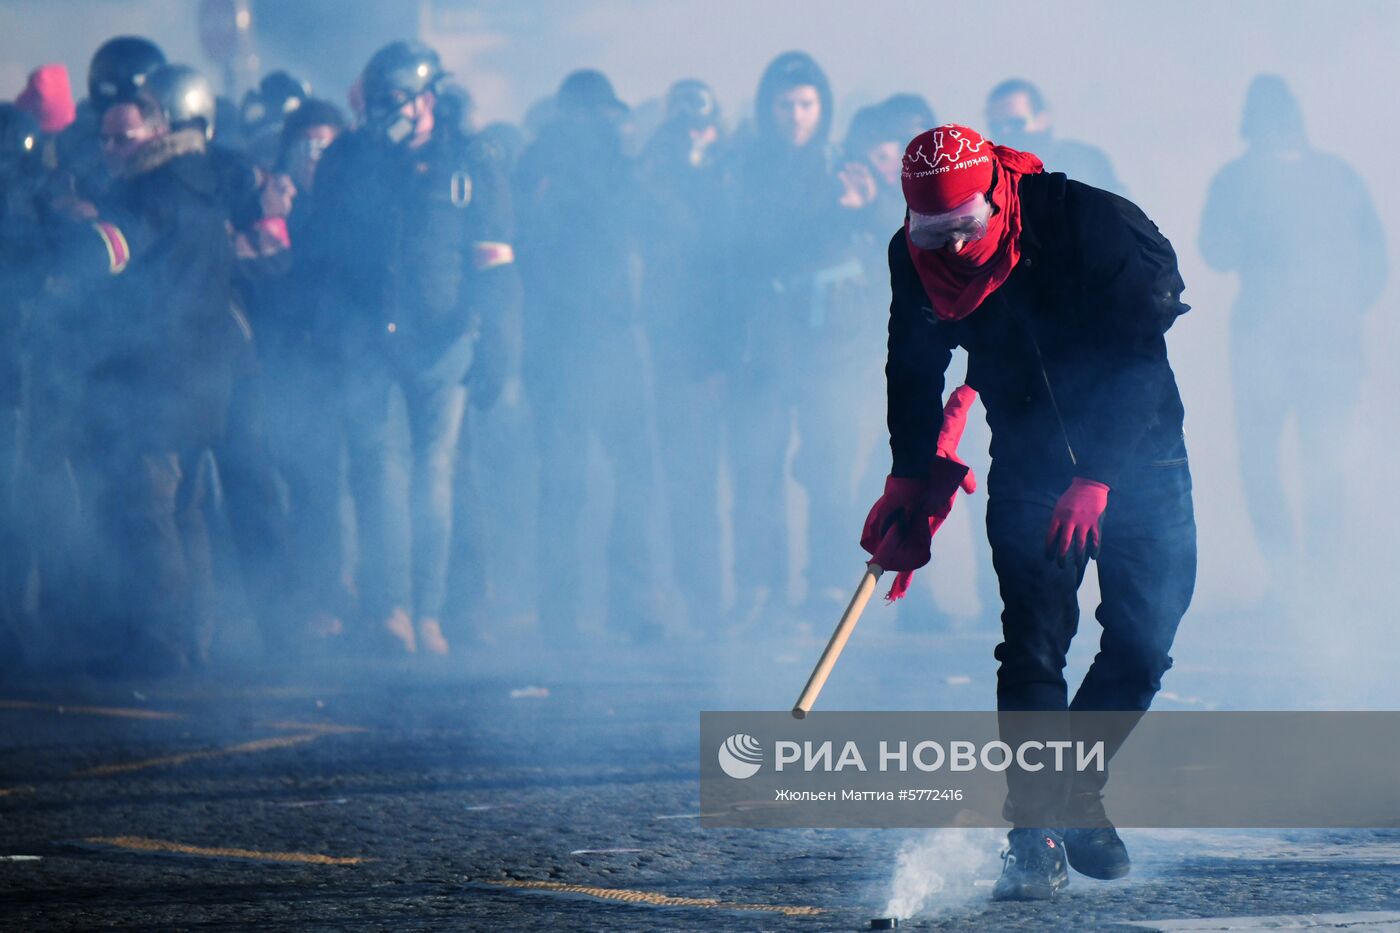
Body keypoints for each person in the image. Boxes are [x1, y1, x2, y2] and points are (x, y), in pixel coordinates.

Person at [864, 124, 1195, 899]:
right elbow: (911, 363)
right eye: (930, 234)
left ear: (996, 197)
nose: (948, 251)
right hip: (1031, 457)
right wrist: (912, 474)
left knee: (1145, 642)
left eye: (963, 229)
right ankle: (1036, 829)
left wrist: (1101, 474)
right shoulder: (910, 259)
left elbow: (1140, 354)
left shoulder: (1087, 222)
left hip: (1140, 455)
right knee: (1037, 641)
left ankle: (1078, 788)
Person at [302, 41, 520, 656]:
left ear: (427, 99)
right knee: (376, 473)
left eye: (394, 102)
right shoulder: (348, 159)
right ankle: (389, 609)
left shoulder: (469, 162)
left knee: (435, 476)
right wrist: (328, 328)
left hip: (442, 342)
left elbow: (496, 262)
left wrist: (500, 343)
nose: (381, 114)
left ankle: (429, 613)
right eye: (374, 102)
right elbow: (323, 249)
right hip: (368, 337)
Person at [1199, 74, 1386, 604]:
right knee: (1271, 462)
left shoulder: (1333, 176)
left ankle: (1316, 581)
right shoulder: (1239, 180)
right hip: (1268, 343)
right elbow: (1215, 249)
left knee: (1318, 459)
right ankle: (1291, 579)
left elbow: (1373, 258)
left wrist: (1342, 311)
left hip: (1322, 343)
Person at [80, 91, 239, 672]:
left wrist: (78, 232)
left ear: (158, 131)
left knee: (148, 515)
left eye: (125, 137)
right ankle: (196, 639)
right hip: (202, 381)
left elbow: (108, 254)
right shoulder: (202, 181)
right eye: (105, 138)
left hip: (155, 385)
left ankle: (161, 646)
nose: (112, 149)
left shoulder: (150, 192)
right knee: (186, 512)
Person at [514, 68, 667, 642]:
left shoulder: (600, 166)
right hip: (565, 341)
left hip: (599, 339)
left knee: (611, 476)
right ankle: (575, 613)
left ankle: (607, 609)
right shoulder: (540, 168)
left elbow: (662, 225)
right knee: (574, 478)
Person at [727, 51, 870, 626]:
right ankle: (759, 591)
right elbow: (736, 250)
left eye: (806, 104)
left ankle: (827, 590)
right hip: (764, 343)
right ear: (768, 109)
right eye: (785, 105)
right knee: (755, 469)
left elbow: (893, 232)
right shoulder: (744, 169)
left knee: (829, 473)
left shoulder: (844, 164)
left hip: (832, 345)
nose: (795, 116)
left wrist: (864, 205)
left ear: (823, 108)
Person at [635, 78, 731, 627]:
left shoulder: (734, 176)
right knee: (679, 478)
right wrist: (662, 165)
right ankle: (689, 600)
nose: (692, 137)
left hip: (723, 352)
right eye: (681, 128)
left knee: (740, 480)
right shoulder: (651, 181)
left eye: (701, 126)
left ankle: (724, 600)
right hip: (667, 351)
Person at [985, 78, 1125, 195]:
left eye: (1017, 123)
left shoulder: (1087, 161)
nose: (1005, 132)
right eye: (996, 126)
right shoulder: (987, 175)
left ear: (1043, 118)